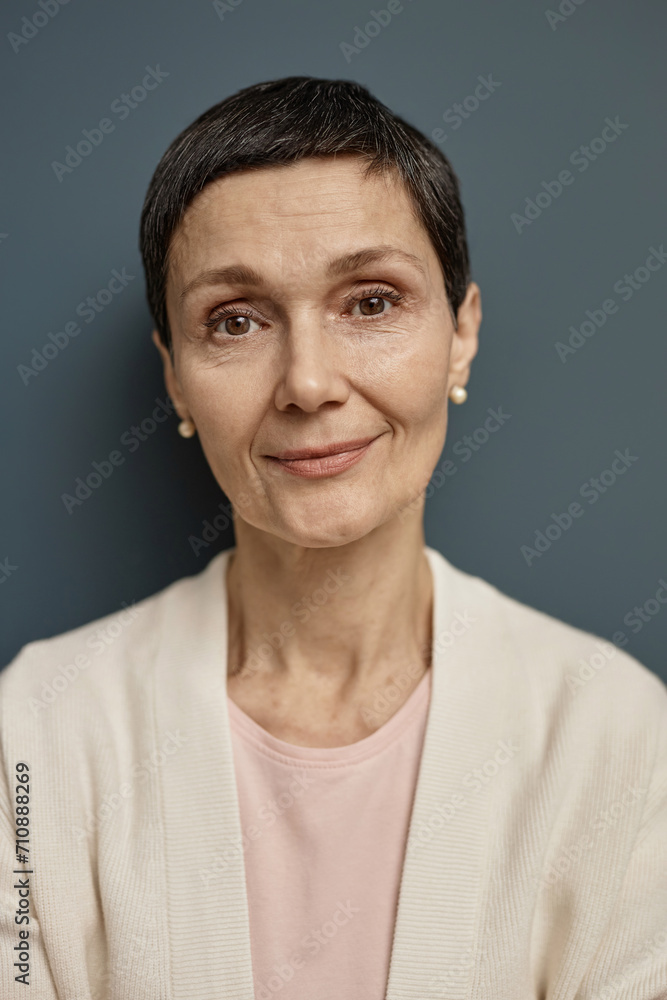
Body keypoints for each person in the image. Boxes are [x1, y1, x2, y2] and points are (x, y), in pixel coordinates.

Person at [1, 76, 666, 1000]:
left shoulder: (621, 741)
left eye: (370, 302)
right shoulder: (34, 734)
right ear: (177, 380)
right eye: (235, 321)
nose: (308, 383)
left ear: (461, 334)